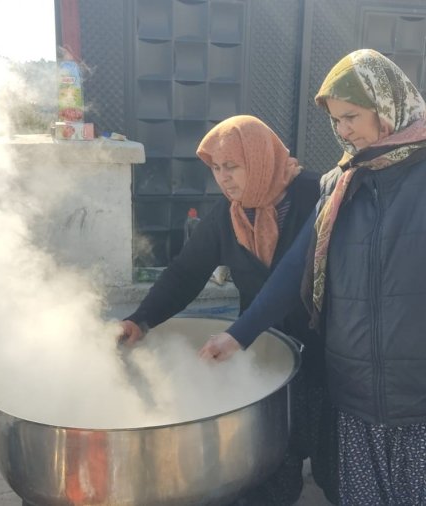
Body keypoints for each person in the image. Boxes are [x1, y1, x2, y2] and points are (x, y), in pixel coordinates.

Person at [199, 49, 426, 505]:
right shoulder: (340, 183)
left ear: (387, 104)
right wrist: (239, 335)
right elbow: (295, 269)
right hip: (358, 402)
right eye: (335, 120)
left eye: (351, 116)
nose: (343, 131)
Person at [118, 115, 336, 505]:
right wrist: (140, 319)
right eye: (217, 169)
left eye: (232, 166)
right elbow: (185, 273)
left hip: (327, 352)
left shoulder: (317, 196)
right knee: (273, 462)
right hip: (264, 350)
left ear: (260, 157)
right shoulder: (229, 215)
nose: (224, 178)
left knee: (331, 460)